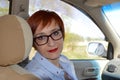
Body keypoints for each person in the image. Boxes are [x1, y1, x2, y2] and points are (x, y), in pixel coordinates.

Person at [24, 10, 78, 80]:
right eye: (41, 37)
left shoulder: (64, 60)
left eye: (55, 33)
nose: (51, 43)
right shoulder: (35, 76)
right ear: (33, 43)